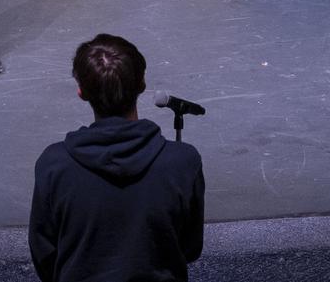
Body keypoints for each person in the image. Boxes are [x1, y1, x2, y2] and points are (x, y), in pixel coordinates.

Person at [30, 34, 205, 282]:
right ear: (142, 83)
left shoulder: (54, 165)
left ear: (81, 92)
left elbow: (45, 256)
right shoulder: (183, 162)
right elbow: (190, 247)